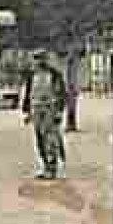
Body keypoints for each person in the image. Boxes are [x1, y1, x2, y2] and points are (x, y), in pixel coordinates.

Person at [20, 49, 68, 180]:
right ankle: (45, 165)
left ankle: (52, 167)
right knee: (39, 140)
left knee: (50, 140)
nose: (38, 61)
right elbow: (28, 93)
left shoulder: (54, 75)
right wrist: (26, 111)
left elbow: (62, 94)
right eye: (36, 58)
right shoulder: (31, 76)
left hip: (50, 110)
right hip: (36, 109)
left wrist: (59, 111)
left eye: (41, 58)